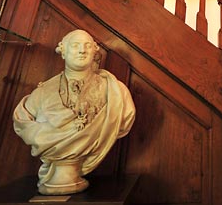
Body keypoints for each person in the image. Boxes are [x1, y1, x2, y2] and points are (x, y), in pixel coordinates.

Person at [13, 29, 136, 195]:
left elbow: (125, 119)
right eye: (75, 45)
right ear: (63, 51)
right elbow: (23, 123)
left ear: (94, 51)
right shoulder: (42, 93)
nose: (82, 50)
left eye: (87, 46)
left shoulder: (116, 92)